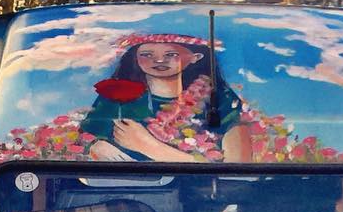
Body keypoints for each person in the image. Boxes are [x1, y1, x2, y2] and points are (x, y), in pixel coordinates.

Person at [81, 34, 252, 163]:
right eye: (147, 54)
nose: (159, 59)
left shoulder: (220, 100)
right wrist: (96, 146)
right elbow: (82, 142)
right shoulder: (115, 96)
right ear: (136, 58)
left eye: (171, 54)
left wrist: (148, 146)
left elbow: (238, 168)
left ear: (195, 57)